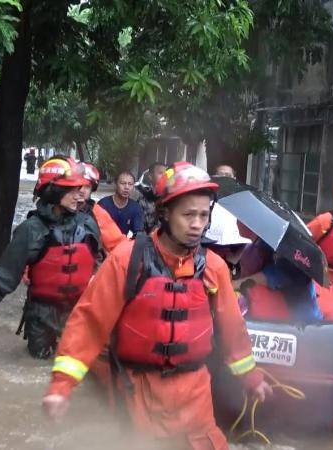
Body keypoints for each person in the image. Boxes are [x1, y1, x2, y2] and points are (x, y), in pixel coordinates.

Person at [42, 162, 271, 448]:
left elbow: (233, 330)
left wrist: (251, 377)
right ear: (164, 213)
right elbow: (89, 323)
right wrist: (62, 385)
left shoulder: (214, 268)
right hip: (138, 394)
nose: (198, 224)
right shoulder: (127, 260)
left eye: (203, 215)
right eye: (188, 215)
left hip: (195, 395)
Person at [0, 157, 101, 359]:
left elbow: (99, 263)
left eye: (81, 189)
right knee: (38, 363)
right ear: (54, 191)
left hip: (79, 310)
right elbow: (7, 272)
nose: (80, 195)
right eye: (72, 190)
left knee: (76, 364)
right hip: (41, 314)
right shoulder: (31, 230)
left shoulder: (88, 223)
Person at [80, 162, 126, 253]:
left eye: (86, 186)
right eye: (77, 186)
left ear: (91, 189)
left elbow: (118, 245)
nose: (81, 190)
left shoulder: (96, 212)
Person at [97, 171, 143, 236]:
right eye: (123, 183)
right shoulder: (103, 204)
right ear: (115, 184)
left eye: (130, 184)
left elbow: (138, 233)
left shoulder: (135, 207)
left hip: (123, 244)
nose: (126, 187)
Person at [134, 162, 167, 234]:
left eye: (166, 174)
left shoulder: (172, 198)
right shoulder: (142, 200)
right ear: (150, 176)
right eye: (161, 173)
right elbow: (139, 228)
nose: (164, 176)